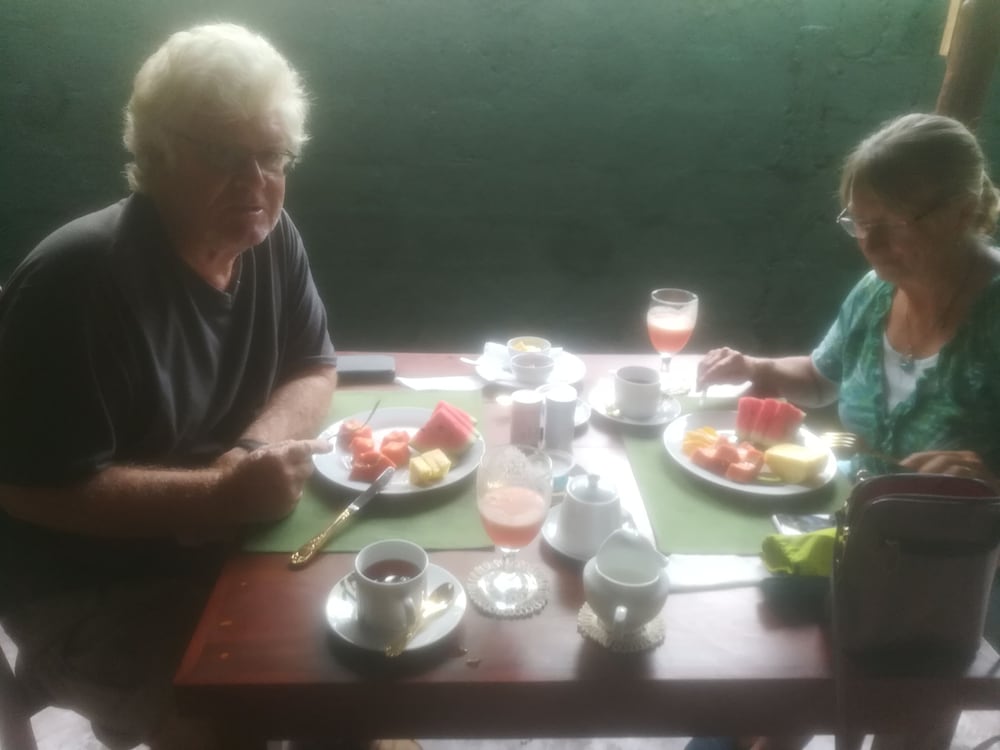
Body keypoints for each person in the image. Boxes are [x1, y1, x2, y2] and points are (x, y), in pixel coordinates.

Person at [0, 23, 337, 749]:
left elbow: (313, 365)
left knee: (355, 675)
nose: (255, 181)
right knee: (239, 721)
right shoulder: (78, 281)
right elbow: (28, 489)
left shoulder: (272, 235)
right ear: (156, 155)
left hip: (227, 545)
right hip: (87, 590)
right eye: (223, 155)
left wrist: (248, 455)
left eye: (272, 155)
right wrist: (217, 495)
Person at [691, 113, 1000, 750]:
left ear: (964, 211)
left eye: (894, 225)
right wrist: (758, 368)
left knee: (904, 729)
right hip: (847, 546)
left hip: (945, 584)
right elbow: (819, 377)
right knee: (758, 705)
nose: (871, 245)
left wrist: (990, 479)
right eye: (859, 223)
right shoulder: (875, 293)